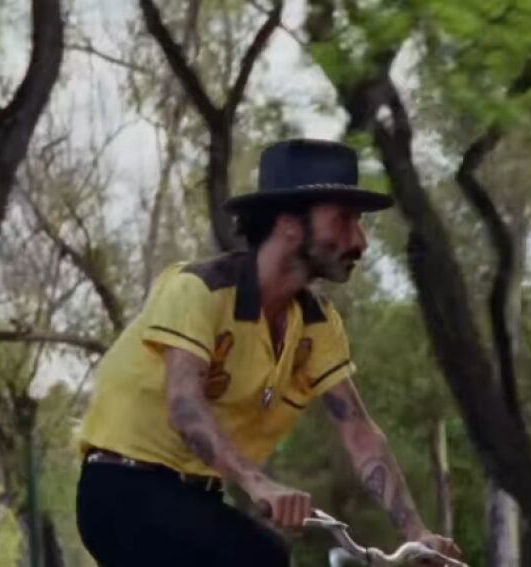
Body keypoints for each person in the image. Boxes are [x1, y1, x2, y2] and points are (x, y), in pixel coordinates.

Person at [75, 139, 462, 566]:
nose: (360, 241)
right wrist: (258, 484)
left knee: (265, 553)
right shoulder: (200, 290)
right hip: (122, 488)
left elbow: (359, 433)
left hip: (194, 500)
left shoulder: (316, 323)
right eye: (343, 219)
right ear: (289, 223)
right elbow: (185, 407)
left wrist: (417, 534)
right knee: (259, 556)